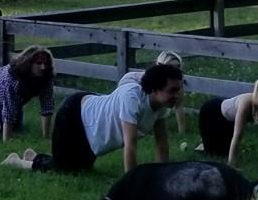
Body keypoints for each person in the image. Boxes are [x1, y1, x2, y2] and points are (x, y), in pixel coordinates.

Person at [52, 61, 184, 173]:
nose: (177, 95)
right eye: (172, 90)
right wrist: (131, 185)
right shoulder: (132, 97)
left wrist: (162, 177)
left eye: (178, 90)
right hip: (73, 113)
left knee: (82, 169)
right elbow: (130, 145)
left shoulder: (160, 105)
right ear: (155, 89)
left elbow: (162, 143)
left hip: (91, 123)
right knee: (63, 168)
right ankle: (32, 161)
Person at [0, 46, 56, 141]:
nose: (43, 67)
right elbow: (9, 108)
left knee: (16, 130)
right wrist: (7, 142)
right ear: (29, 64)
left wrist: (46, 137)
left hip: (18, 99)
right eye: (39, 63)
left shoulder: (46, 78)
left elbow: (47, 107)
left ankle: (0, 122)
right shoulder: (13, 78)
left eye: (46, 64)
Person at [198, 76, 258, 166]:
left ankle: (208, 143)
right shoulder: (246, 103)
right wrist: (231, 167)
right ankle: (203, 145)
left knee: (224, 153)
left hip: (229, 122)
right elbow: (238, 136)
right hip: (211, 114)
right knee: (214, 155)